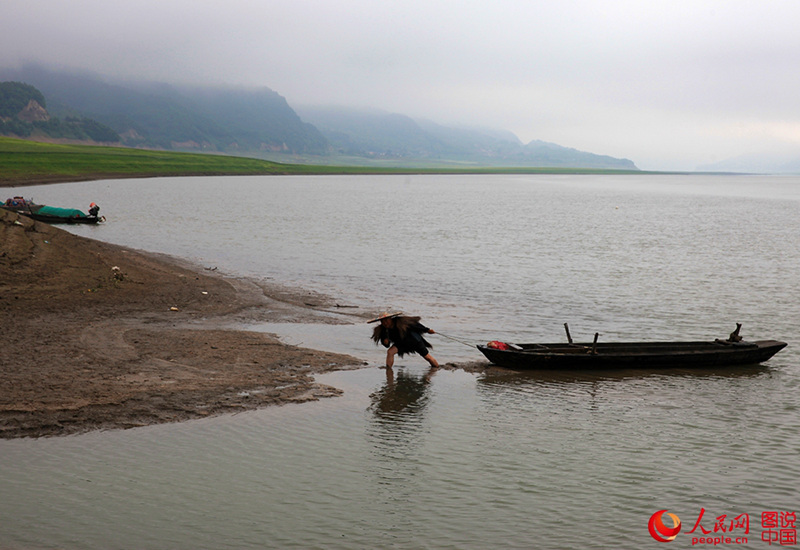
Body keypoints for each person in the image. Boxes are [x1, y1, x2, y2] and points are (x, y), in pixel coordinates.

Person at [369, 312, 439, 368]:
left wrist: (427, 330)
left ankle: (436, 368)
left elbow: (415, 325)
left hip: (414, 341)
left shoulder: (401, 321)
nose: (385, 323)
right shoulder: (383, 330)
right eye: (382, 321)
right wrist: (385, 342)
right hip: (401, 343)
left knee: (428, 358)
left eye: (386, 320)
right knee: (390, 352)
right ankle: (388, 369)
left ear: (390, 319)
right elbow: (386, 345)